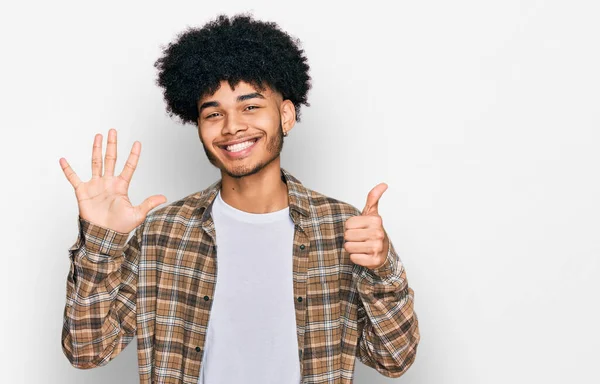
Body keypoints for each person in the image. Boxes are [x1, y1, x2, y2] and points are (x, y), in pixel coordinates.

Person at [59, 13, 420, 384]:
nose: (232, 127)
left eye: (250, 106)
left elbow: (394, 359)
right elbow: (88, 352)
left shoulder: (343, 228)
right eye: (214, 114)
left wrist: (382, 269)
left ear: (286, 115)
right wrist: (101, 245)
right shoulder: (162, 233)